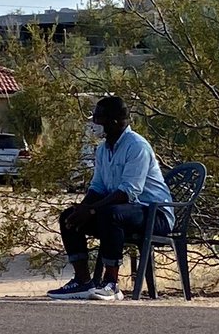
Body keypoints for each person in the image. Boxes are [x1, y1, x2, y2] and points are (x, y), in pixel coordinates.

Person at [47, 96, 173, 301]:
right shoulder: (103, 150)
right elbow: (98, 187)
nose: (94, 124)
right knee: (69, 217)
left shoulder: (137, 146)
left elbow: (129, 192)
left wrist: (93, 210)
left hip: (154, 214)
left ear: (114, 121)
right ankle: (82, 281)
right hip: (124, 211)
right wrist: (83, 208)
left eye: (98, 118)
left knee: (110, 214)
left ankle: (111, 284)